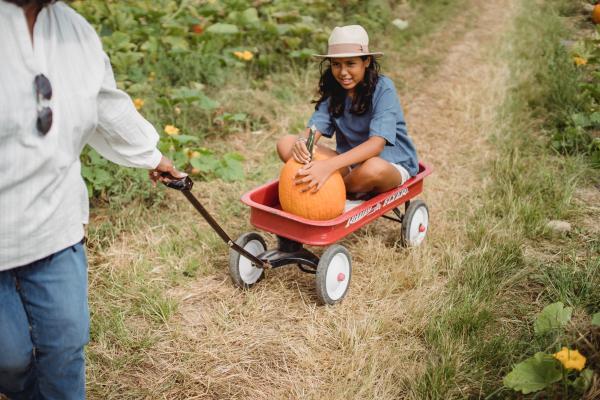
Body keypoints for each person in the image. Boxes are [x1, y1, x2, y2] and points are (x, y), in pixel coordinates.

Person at [0, 0, 185, 398]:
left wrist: (152, 156)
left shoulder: (74, 30)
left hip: (56, 224)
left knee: (66, 342)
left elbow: (104, 103)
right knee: (10, 358)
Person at [277, 25, 419, 197]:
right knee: (286, 143)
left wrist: (327, 167)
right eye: (336, 64)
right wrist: (303, 142)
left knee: (373, 168)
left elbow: (377, 145)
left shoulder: (383, 88)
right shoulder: (334, 89)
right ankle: (340, 186)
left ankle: (333, 191)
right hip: (348, 164)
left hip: (390, 164)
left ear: (366, 61)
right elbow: (315, 128)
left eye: (350, 63)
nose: (343, 72)